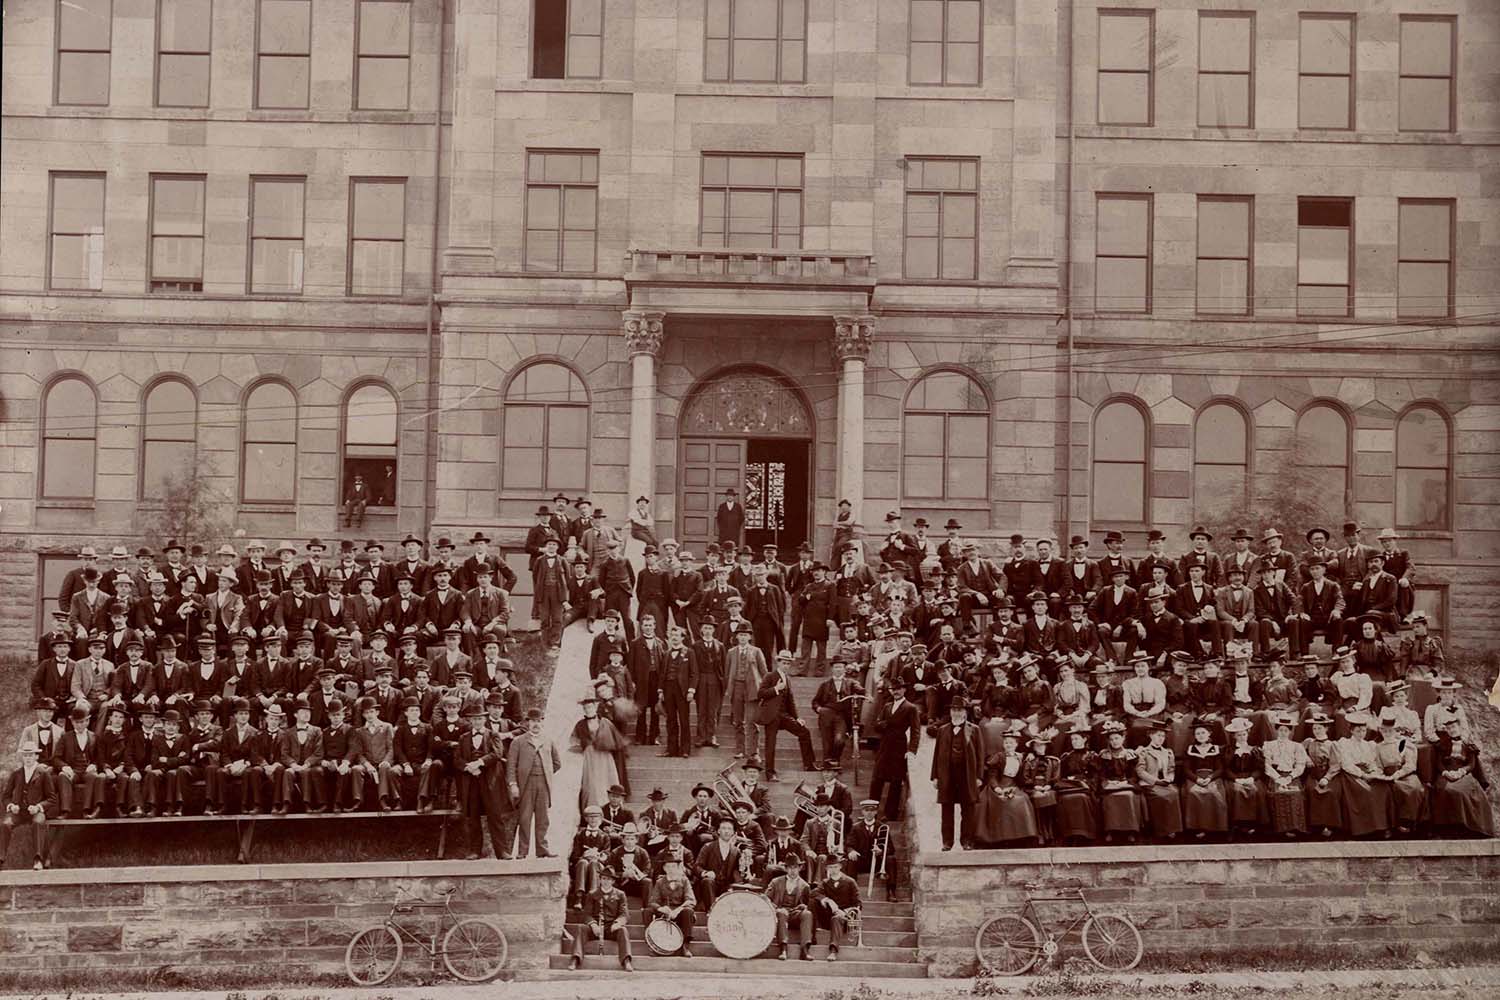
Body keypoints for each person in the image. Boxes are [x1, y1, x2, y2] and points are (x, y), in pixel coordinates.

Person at [455, 704, 513, 859]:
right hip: (471, 781)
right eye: (474, 719)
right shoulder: (463, 738)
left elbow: (497, 753)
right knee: (473, 817)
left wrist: (479, 763)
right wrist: (469, 767)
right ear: (470, 721)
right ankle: (475, 851)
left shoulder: (493, 734)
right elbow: (457, 759)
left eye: (480, 718)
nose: (477, 721)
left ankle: (502, 851)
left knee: (495, 816)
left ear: (484, 719)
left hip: (490, 781)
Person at [931, 698, 983, 850]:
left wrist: (979, 777)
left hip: (967, 775)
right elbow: (936, 755)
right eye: (954, 710)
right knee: (947, 810)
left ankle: (967, 841)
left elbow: (980, 754)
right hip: (947, 775)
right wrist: (935, 776)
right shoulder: (942, 730)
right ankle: (947, 842)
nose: (956, 713)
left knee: (968, 810)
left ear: (965, 712)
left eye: (959, 710)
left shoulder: (974, 730)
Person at [757, 650, 818, 781]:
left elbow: (791, 701)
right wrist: (776, 689)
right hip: (771, 715)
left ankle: (809, 764)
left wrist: (797, 718)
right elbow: (760, 693)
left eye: (788, 664)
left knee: (804, 732)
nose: (786, 666)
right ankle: (770, 773)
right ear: (778, 663)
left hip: (784, 715)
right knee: (770, 744)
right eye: (783, 663)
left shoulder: (788, 679)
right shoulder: (770, 676)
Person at [508, 708, 561, 858]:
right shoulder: (518, 742)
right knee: (524, 818)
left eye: (538, 721)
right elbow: (511, 766)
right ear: (528, 723)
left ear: (542, 722)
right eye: (533, 721)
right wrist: (513, 784)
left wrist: (546, 773)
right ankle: (522, 851)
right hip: (525, 784)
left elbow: (557, 763)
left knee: (543, 819)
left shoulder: (548, 740)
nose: (536, 724)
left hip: (543, 784)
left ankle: (542, 850)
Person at [974, 723, 1038, 847]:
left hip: (1013, 785)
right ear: (1003, 744)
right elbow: (992, 776)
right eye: (1006, 743)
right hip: (997, 786)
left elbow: (1023, 773)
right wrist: (997, 788)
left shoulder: (1020, 757)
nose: (1008, 745)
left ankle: (1019, 838)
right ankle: (1000, 838)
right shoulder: (999, 757)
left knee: (1022, 800)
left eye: (1011, 743)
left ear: (1016, 744)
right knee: (1001, 801)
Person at [1430, 717, 1493, 838]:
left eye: (1453, 727)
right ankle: (1447, 828)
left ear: (1459, 727)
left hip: (1463, 772)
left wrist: (1461, 771)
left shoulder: (1469, 745)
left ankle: (1465, 826)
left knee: (1459, 791)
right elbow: (1438, 763)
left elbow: (1472, 764)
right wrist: (1445, 773)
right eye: (1448, 728)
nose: (1451, 730)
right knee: (1442, 790)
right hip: (1446, 772)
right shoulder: (1442, 745)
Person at [869, 676, 920, 820]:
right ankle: (871, 810)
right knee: (877, 779)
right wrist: (885, 724)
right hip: (884, 745)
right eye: (893, 689)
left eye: (899, 689)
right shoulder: (887, 706)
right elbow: (877, 724)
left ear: (904, 690)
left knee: (895, 781)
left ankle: (889, 813)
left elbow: (916, 731)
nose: (896, 692)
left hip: (899, 745)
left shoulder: (911, 708)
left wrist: (911, 750)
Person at [1, 741, 56, 870]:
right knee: (5, 824)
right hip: (19, 812)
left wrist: (38, 807)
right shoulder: (16, 773)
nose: (28, 758)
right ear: (22, 757)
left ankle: (38, 859)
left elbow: (52, 798)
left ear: (36, 756)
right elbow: (6, 796)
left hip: (36, 811)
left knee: (38, 822)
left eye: (31, 755)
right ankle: (1, 858)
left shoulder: (43, 773)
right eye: (25, 755)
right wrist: (11, 805)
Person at [570, 866, 633, 971]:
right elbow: (586, 914)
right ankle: (575, 959)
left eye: (608, 879)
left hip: (611, 927)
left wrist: (617, 923)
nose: (605, 881)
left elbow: (625, 914)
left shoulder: (620, 894)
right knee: (581, 928)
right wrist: (593, 924)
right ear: (600, 879)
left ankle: (626, 961)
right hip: (596, 928)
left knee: (623, 930)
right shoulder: (592, 894)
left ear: (613, 881)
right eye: (603, 879)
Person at [571, 696, 625, 811]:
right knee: (591, 784)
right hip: (590, 757)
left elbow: (617, 740)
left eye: (590, 707)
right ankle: (592, 811)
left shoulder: (605, 722)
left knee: (606, 781)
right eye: (585, 708)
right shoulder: (580, 724)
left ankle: (610, 809)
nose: (588, 709)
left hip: (604, 756)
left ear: (595, 707)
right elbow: (573, 741)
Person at [1093, 721, 1142, 843]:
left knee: (1128, 796)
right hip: (1110, 785)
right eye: (1112, 739)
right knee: (1109, 797)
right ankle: (1110, 830)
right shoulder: (1104, 755)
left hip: (1126, 783)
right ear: (1108, 741)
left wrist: (1126, 782)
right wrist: (1108, 783)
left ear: (1123, 738)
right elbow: (1101, 775)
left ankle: (1131, 830)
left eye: (1117, 738)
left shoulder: (1129, 754)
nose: (1115, 741)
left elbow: (1134, 774)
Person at [1262, 713, 1308, 837]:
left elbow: (1300, 764)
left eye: (1286, 730)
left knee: (1295, 793)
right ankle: (1281, 828)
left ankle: (1295, 827)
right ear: (1276, 730)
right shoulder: (1268, 745)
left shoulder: (1297, 746)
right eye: (1281, 730)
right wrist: (1277, 777)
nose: (1283, 733)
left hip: (1291, 776)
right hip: (1275, 776)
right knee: (1278, 794)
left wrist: (1290, 777)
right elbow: (1266, 765)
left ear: (1290, 732)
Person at [1135, 720, 1182, 840]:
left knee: (1174, 792)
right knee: (1160, 796)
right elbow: (1140, 771)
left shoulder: (1168, 752)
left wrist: (1169, 779)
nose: (1161, 738)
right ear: (1151, 735)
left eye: (1163, 736)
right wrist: (1155, 781)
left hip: (1164, 782)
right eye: (1158, 735)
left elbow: (1171, 769)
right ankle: (1160, 830)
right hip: (1150, 783)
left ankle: (1172, 829)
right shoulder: (1144, 752)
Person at [1182, 724, 1227, 839]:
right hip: (1194, 777)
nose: (1201, 736)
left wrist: (1210, 778)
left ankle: (1215, 827)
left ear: (1209, 734)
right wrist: (1197, 779)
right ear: (1194, 736)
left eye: (1203, 733)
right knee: (1194, 793)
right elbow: (1186, 769)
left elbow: (1220, 769)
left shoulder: (1215, 749)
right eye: (1198, 733)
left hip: (1212, 777)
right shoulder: (1190, 749)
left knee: (1214, 793)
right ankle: (1199, 827)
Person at [767, 855, 816, 961]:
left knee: (807, 914)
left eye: (795, 868)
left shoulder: (805, 886)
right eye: (790, 868)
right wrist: (773, 906)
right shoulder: (776, 882)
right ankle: (783, 948)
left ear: (800, 868)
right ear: (786, 869)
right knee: (782, 913)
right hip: (779, 912)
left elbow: (807, 903)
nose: (792, 871)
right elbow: (766, 899)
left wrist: (803, 906)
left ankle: (805, 950)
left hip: (795, 913)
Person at [1223, 717, 1266, 837]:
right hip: (1234, 777)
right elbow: (1226, 769)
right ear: (1234, 736)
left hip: (1251, 777)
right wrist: (1236, 779)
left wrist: (1252, 778)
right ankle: (1238, 824)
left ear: (1248, 734)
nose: (1242, 737)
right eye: (1239, 735)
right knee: (1236, 791)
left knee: (1256, 790)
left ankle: (1252, 824)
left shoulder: (1254, 750)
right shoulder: (1229, 750)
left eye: (1244, 734)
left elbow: (1259, 769)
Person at [1302, 712, 1343, 837]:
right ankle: (1313, 825)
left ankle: (1327, 825)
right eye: (1314, 728)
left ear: (1326, 728)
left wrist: (1326, 778)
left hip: (1328, 775)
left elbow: (1336, 765)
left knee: (1329, 792)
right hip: (1312, 775)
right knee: (1310, 789)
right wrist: (1306, 758)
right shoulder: (1308, 742)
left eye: (1319, 728)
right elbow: (1297, 752)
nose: (1317, 731)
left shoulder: (1332, 745)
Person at [813, 856, 861, 962]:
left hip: (847, 918)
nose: (833, 870)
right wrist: (827, 900)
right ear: (827, 869)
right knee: (815, 901)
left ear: (840, 867)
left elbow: (858, 904)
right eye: (830, 867)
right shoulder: (825, 882)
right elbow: (814, 893)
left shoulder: (850, 882)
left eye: (835, 867)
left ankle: (833, 950)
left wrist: (844, 912)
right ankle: (813, 934)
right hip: (829, 918)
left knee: (837, 918)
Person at [649, 857, 697, 958]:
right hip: (665, 911)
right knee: (647, 911)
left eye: (674, 866)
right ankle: (654, 945)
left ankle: (685, 946)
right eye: (668, 866)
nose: (671, 869)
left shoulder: (684, 881)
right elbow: (653, 901)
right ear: (664, 868)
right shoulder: (660, 882)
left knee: (688, 911)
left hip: (680, 911)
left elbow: (691, 900)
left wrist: (678, 909)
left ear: (678, 868)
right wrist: (661, 908)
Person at [531, 537, 570, 648]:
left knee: (557, 618)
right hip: (543, 592)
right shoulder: (539, 560)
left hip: (558, 593)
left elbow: (568, 577)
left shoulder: (562, 560)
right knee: (544, 618)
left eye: (554, 544)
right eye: (549, 544)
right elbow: (535, 576)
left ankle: (555, 642)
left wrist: (564, 594)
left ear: (557, 547)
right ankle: (544, 642)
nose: (551, 546)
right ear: (546, 546)